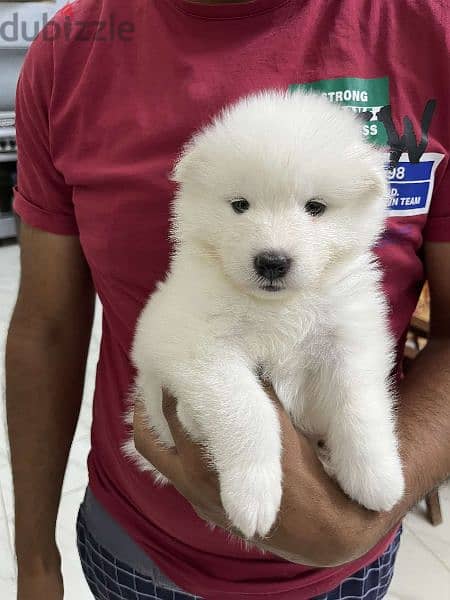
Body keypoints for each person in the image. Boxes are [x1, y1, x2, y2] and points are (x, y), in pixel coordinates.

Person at [5, 1, 450, 599]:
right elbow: (50, 327)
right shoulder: (72, 48)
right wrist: (34, 557)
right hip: (135, 550)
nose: (272, 246)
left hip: (348, 574)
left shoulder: (427, 27)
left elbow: (358, 362)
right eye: (241, 207)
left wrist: (350, 523)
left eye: (314, 209)